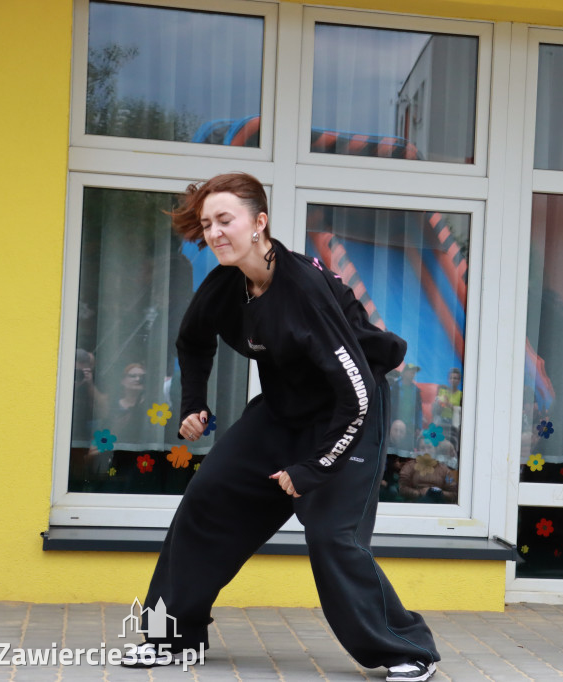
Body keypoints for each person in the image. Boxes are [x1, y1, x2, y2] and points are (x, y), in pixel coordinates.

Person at [123, 173, 439, 682]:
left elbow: (355, 394)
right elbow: (193, 340)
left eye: (226, 220)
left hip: (349, 412)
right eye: (207, 224)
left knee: (333, 537)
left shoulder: (303, 290)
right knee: (207, 498)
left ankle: (405, 649)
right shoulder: (226, 284)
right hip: (283, 409)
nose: (215, 233)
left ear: (259, 223)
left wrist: (313, 469)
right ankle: (173, 638)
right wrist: (194, 403)